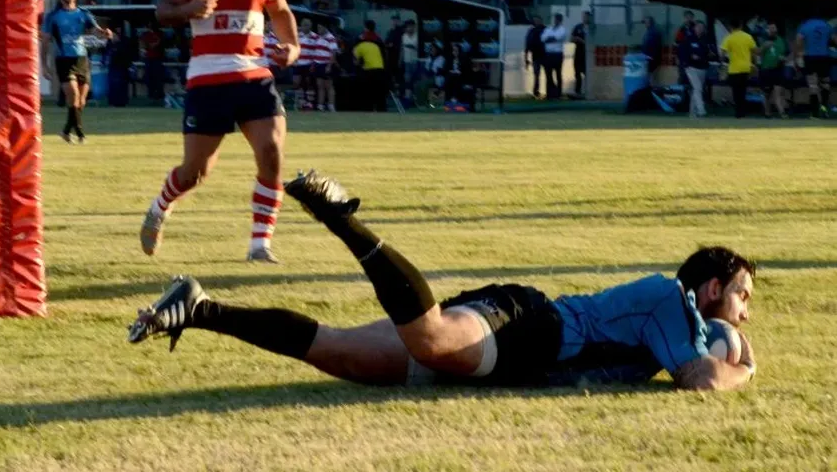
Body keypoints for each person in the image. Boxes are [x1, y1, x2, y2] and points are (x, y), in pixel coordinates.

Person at [128, 170, 758, 392]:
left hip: (517, 346)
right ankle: (342, 220)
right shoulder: (671, 301)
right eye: (742, 297)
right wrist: (746, 365)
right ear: (708, 289)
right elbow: (700, 381)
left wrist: (723, 346)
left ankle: (201, 308)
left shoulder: (683, 323)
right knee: (428, 338)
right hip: (532, 327)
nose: (746, 313)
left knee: (342, 353)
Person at [142, 0, 300, 264]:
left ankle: (260, 244)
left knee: (272, 150)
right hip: (208, 77)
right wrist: (190, 8)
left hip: (254, 73)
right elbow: (163, 10)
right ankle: (160, 206)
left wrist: (291, 47)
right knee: (195, 172)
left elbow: (280, 12)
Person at [41, 0, 114, 143]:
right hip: (64, 60)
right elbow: (45, 41)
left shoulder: (83, 14)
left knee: (80, 101)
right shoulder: (53, 16)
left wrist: (105, 33)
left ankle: (66, 131)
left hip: (82, 60)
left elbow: (96, 30)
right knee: (73, 94)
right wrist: (44, 65)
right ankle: (80, 133)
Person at [794, 16, 834, 118]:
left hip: (810, 57)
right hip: (824, 57)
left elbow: (799, 40)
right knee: (825, 83)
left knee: (813, 85)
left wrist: (799, 55)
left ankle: (814, 113)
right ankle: (824, 108)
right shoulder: (827, 25)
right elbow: (834, 39)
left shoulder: (805, 26)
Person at [719, 17, 757, 118]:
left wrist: (723, 62)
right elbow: (755, 51)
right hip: (745, 68)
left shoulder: (729, 38)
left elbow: (722, 53)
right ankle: (743, 112)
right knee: (743, 91)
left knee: (736, 91)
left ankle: (738, 112)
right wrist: (754, 63)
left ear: (730, 27)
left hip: (734, 68)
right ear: (741, 26)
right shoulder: (748, 37)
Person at [682, 21, 716, 118]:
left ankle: (692, 112)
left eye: (702, 27)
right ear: (695, 28)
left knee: (696, 90)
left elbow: (711, 52)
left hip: (703, 67)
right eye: (698, 27)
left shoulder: (706, 39)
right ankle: (701, 110)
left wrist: (710, 54)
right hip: (691, 67)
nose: (700, 29)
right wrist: (688, 59)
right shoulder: (689, 39)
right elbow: (683, 51)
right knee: (698, 88)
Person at [353, 21, 387, 111]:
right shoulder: (378, 39)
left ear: (365, 28)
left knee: (368, 92)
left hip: (367, 69)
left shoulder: (360, 40)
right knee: (379, 92)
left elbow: (355, 58)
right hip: (380, 68)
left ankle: (368, 109)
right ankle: (381, 110)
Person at [758, 22, 788, 118]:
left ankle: (782, 112)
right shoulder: (763, 41)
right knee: (766, 94)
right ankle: (767, 113)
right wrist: (763, 48)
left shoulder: (782, 40)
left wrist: (784, 58)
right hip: (766, 70)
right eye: (769, 28)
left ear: (776, 29)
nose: (771, 30)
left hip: (778, 69)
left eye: (773, 28)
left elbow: (787, 53)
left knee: (778, 92)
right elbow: (757, 53)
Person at [541, 13, 566, 99]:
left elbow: (557, 38)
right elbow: (542, 38)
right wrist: (550, 39)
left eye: (556, 19)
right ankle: (550, 93)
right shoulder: (549, 28)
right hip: (548, 54)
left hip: (557, 54)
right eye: (554, 19)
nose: (554, 21)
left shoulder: (562, 29)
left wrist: (549, 39)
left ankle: (558, 93)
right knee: (548, 74)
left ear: (559, 20)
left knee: (558, 73)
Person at [315, 22, 339, 112]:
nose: (319, 30)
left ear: (325, 28)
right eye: (318, 28)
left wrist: (329, 65)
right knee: (320, 85)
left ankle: (331, 105)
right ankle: (320, 105)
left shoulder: (331, 38)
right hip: (318, 64)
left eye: (320, 28)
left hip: (326, 63)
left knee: (329, 86)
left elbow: (333, 53)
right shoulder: (318, 37)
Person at [524, 15, 545, 97]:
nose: (536, 22)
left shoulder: (545, 29)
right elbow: (527, 44)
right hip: (535, 55)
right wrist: (526, 58)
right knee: (536, 74)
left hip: (545, 54)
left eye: (537, 20)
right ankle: (536, 91)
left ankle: (550, 92)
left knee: (548, 73)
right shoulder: (531, 30)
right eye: (535, 20)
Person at [571, 11, 590, 98]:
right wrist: (578, 39)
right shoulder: (578, 27)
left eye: (586, 16)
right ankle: (577, 92)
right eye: (583, 16)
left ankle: (588, 91)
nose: (584, 18)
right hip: (578, 52)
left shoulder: (592, 27)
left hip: (588, 53)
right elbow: (572, 38)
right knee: (577, 73)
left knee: (588, 73)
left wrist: (584, 41)